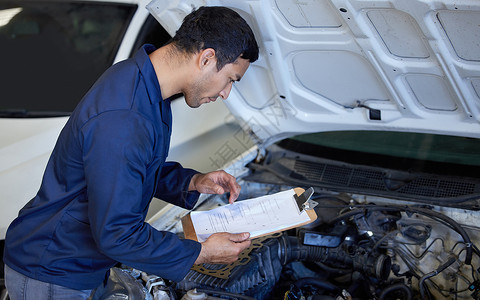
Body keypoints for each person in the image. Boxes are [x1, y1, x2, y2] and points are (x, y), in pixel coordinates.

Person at [3, 6, 259, 300]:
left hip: (73, 261)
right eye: (231, 79)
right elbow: (118, 234)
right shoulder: (125, 116)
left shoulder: (141, 81)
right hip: (54, 272)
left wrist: (192, 181)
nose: (226, 93)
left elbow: (131, 166)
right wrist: (201, 252)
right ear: (207, 58)